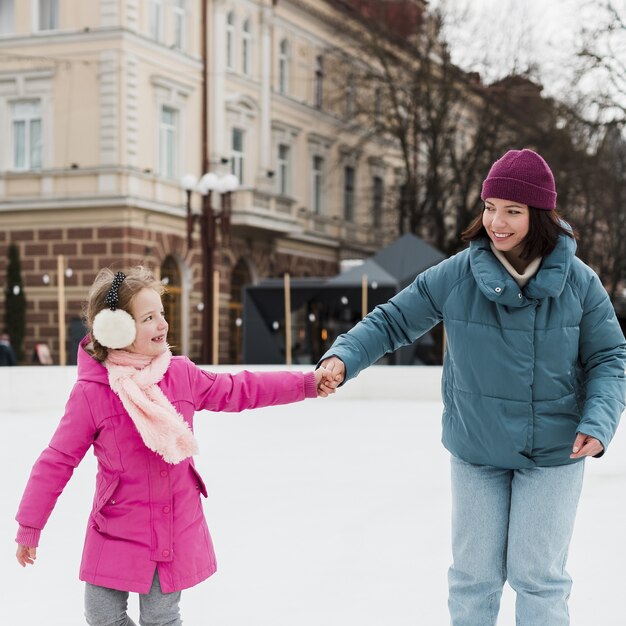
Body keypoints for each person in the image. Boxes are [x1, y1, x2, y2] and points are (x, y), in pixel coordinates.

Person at [318, 149, 626, 626]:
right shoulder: (458, 273)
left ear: (539, 215)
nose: (496, 222)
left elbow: (609, 357)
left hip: (555, 452)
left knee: (539, 577)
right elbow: (394, 318)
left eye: (512, 211)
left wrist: (600, 422)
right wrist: (343, 356)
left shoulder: (579, 283)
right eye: (489, 207)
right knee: (473, 577)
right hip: (477, 449)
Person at [15, 266, 334, 626]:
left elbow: (240, 388)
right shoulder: (93, 391)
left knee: (160, 619)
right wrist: (31, 525)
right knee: (101, 615)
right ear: (115, 329)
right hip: (114, 525)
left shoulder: (180, 374)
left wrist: (305, 384)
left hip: (170, 523)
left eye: (161, 314)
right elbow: (57, 460)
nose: (162, 325)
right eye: (149, 317)